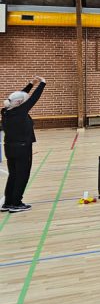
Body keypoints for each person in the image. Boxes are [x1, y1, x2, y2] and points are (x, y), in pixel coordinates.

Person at [1, 76, 46, 213]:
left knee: (13, 175)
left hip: (9, 147)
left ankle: (8, 202)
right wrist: (42, 83)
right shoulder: (20, 111)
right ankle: (16, 203)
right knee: (22, 175)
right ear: (20, 103)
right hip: (22, 149)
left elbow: (18, 98)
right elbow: (33, 99)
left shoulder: (6, 111)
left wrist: (30, 84)